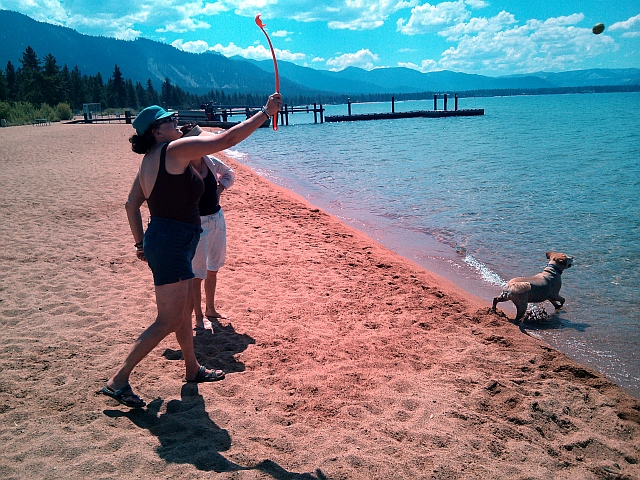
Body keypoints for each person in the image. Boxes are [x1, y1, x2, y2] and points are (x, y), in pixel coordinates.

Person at [102, 94, 282, 408]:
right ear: (157, 132)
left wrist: (140, 242)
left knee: (182, 313)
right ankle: (118, 380)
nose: (176, 122)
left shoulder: (150, 160)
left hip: (171, 240)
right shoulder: (175, 149)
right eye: (169, 120)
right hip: (172, 243)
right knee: (168, 320)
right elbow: (227, 138)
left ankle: (192, 369)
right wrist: (265, 112)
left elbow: (132, 205)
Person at [183, 126, 235, 332]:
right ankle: (198, 317)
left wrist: (221, 188)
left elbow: (229, 173)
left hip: (217, 219)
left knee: (213, 268)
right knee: (197, 274)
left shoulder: (209, 161)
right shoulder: (182, 167)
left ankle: (211, 309)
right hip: (197, 224)